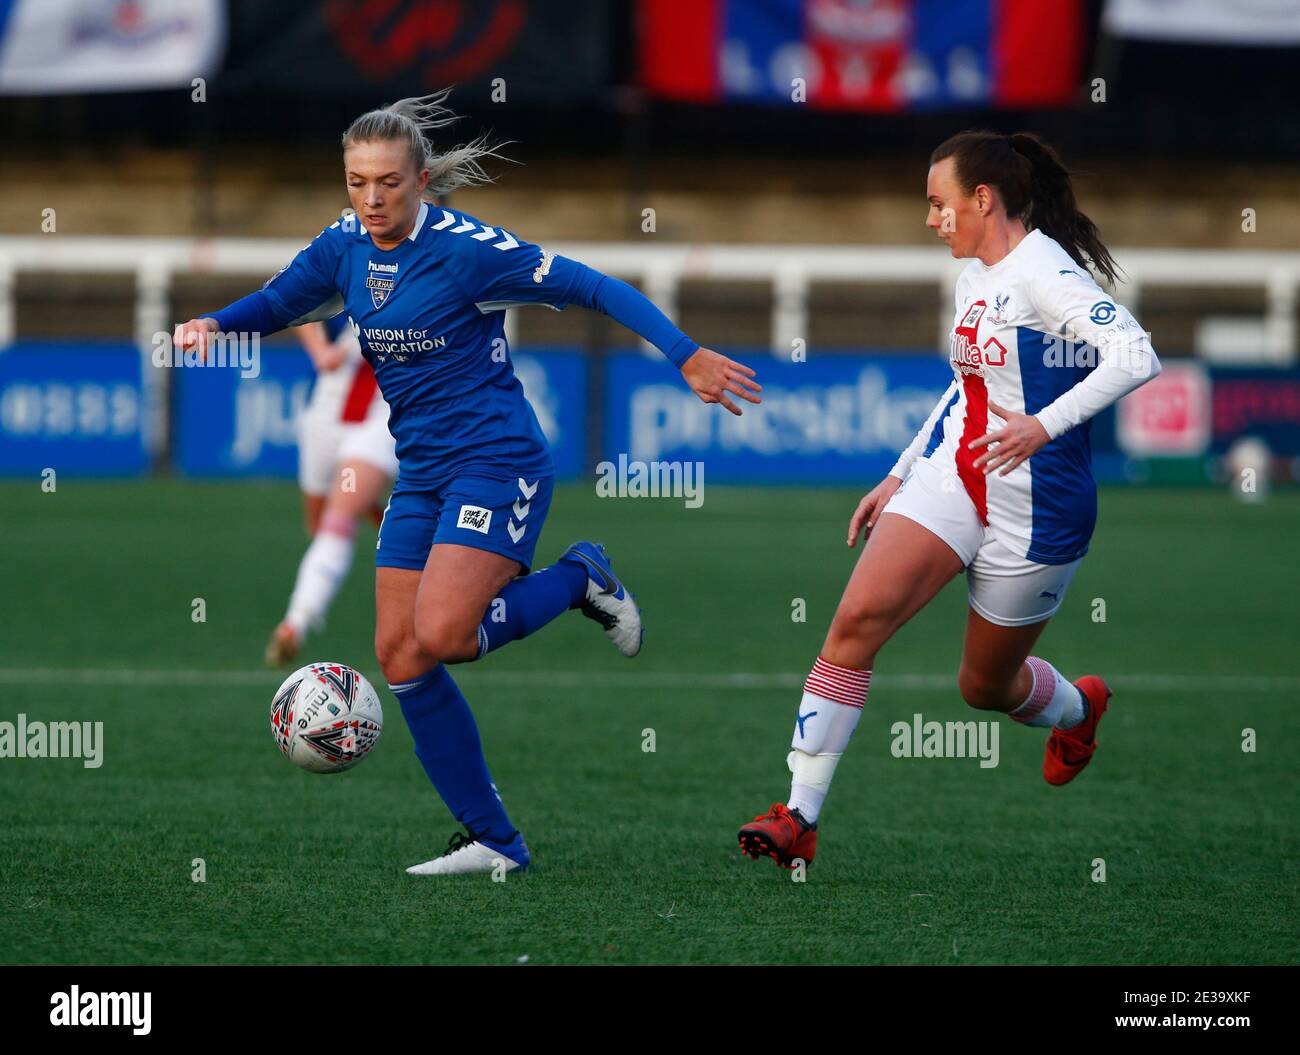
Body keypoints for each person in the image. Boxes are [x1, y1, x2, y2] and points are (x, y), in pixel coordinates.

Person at [174, 89, 761, 876]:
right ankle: (496, 841)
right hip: (421, 469)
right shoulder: (344, 245)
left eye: (388, 181)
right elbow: (283, 301)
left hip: (498, 461)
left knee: (447, 634)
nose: (371, 198)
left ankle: (582, 576)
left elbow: (592, 285)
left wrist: (684, 351)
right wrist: (218, 322)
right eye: (356, 181)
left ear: (422, 180)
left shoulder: (466, 249)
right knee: (402, 653)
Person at [738, 130, 1161, 869]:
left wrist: (1044, 424)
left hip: (1040, 510)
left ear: (984, 198)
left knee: (983, 685)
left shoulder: (1044, 275)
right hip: (957, 479)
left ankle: (1079, 708)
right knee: (855, 621)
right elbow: (963, 389)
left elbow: (1137, 354)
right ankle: (798, 813)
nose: (932, 219)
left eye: (939, 204)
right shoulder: (975, 272)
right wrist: (902, 472)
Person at [265, 314, 398, 667]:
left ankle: (295, 624)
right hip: (324, 415)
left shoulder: (426, 277)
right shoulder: (351, 268)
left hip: (375, 422)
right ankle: (382, 511)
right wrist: (321, 349)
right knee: (319, 525)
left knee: (337, 523)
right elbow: (293, 303)